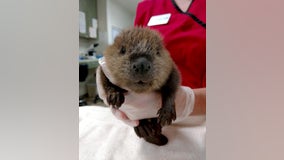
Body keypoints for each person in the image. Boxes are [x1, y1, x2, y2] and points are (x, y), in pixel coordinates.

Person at [98, 0, 206, 127]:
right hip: (150, 115)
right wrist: (110, 88)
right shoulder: (146, 6)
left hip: (206, 117)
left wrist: (188, 101)